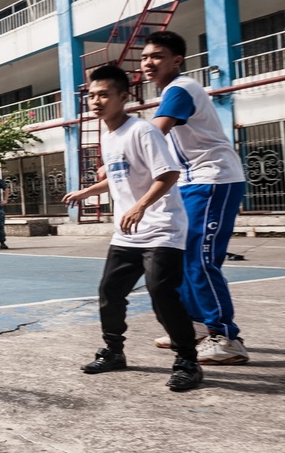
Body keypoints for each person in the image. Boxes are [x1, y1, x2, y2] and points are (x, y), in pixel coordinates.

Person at [62, 64, 202, 391]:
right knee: (110, 292)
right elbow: (120, 175)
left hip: (163, 228)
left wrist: (140, 206)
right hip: (128, 232)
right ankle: (113, 351)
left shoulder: (143, 130)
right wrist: (88, 191)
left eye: (104, 95)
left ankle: (188, 361)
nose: (96, 102)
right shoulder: (110, 137)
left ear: (123, 97)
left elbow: (167, 174)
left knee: (161, 293)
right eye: (92, 96)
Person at [143, 30, 249, 365]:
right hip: (191, 183)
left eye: (157, 56)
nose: (148, 63)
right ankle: (195, 329)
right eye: (145, 57)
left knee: (200, 260)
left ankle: (226, 338)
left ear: (177, 61)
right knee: (182, 257)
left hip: (214, 180)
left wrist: (121, 157)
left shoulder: (180, 88)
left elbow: (154, 134)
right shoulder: (170, 94)